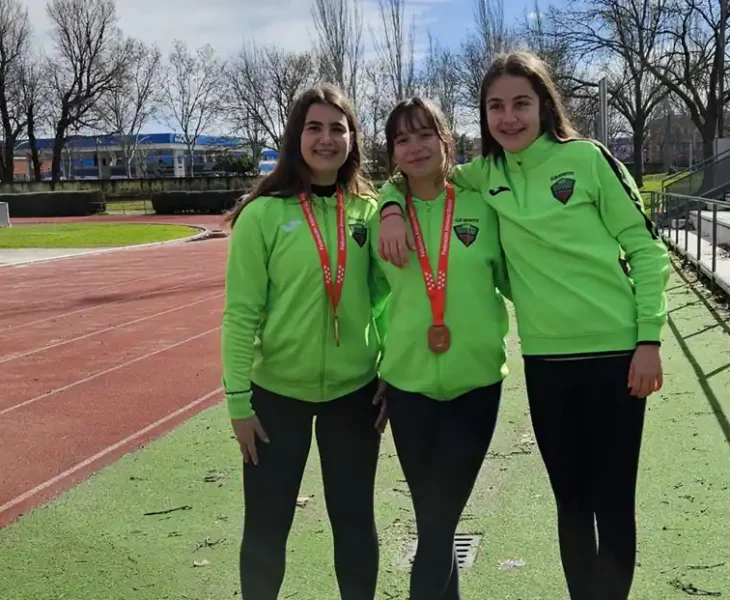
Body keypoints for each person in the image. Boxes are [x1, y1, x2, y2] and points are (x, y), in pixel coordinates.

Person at [378, 52, 670, 600]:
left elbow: (648, 251)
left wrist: (648, 339)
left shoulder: (588, 160)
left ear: (544, 106)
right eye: (495, 107)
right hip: (545, 364)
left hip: (615, 356)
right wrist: (392, 208)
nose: (508, 118)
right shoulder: (485, 176)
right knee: (571, 503)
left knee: (612, 501)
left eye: (520, 104)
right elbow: (414, 174)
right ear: (483, 116)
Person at [221, 84, 389, 600]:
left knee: (356, 524)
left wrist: (390, 368)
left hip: (354, 394)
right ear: (296, 137)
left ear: (352, 138)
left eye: (337, 127)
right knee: (268, 528)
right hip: (276, 397)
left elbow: (388, 299)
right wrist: (238, 403)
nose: (326, 138)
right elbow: (240, 314)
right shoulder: (264, 213)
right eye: (314, 127)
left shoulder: (371, 210)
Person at [372, 97, 511, 600]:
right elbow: (361, 296)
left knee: (438, 519)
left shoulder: (481, 202)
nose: (415, 147)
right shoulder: (379, 216)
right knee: (434, 519)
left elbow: (519, 276)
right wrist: (390, 205)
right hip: (408, 389)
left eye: (424, 134)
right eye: (402, 139)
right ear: (392, 153)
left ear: (445, 139)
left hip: (475, 385)